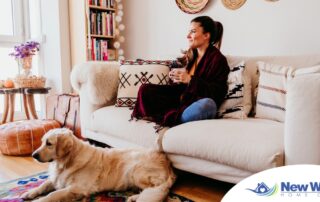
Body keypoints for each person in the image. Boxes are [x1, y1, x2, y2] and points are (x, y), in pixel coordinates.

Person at [131, 16, 230, 128]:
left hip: (197, 102)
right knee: (145, 89)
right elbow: (184, 88)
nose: (188, 36)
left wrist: (190, 80)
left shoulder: (218, 59)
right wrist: (177, 78)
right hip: (182, 100)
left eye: (193, 32)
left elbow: (217, 92)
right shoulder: (192, 55)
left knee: (208, 105)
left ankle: (176, 118)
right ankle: (173, 116)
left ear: (206, 35)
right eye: (189, 32)